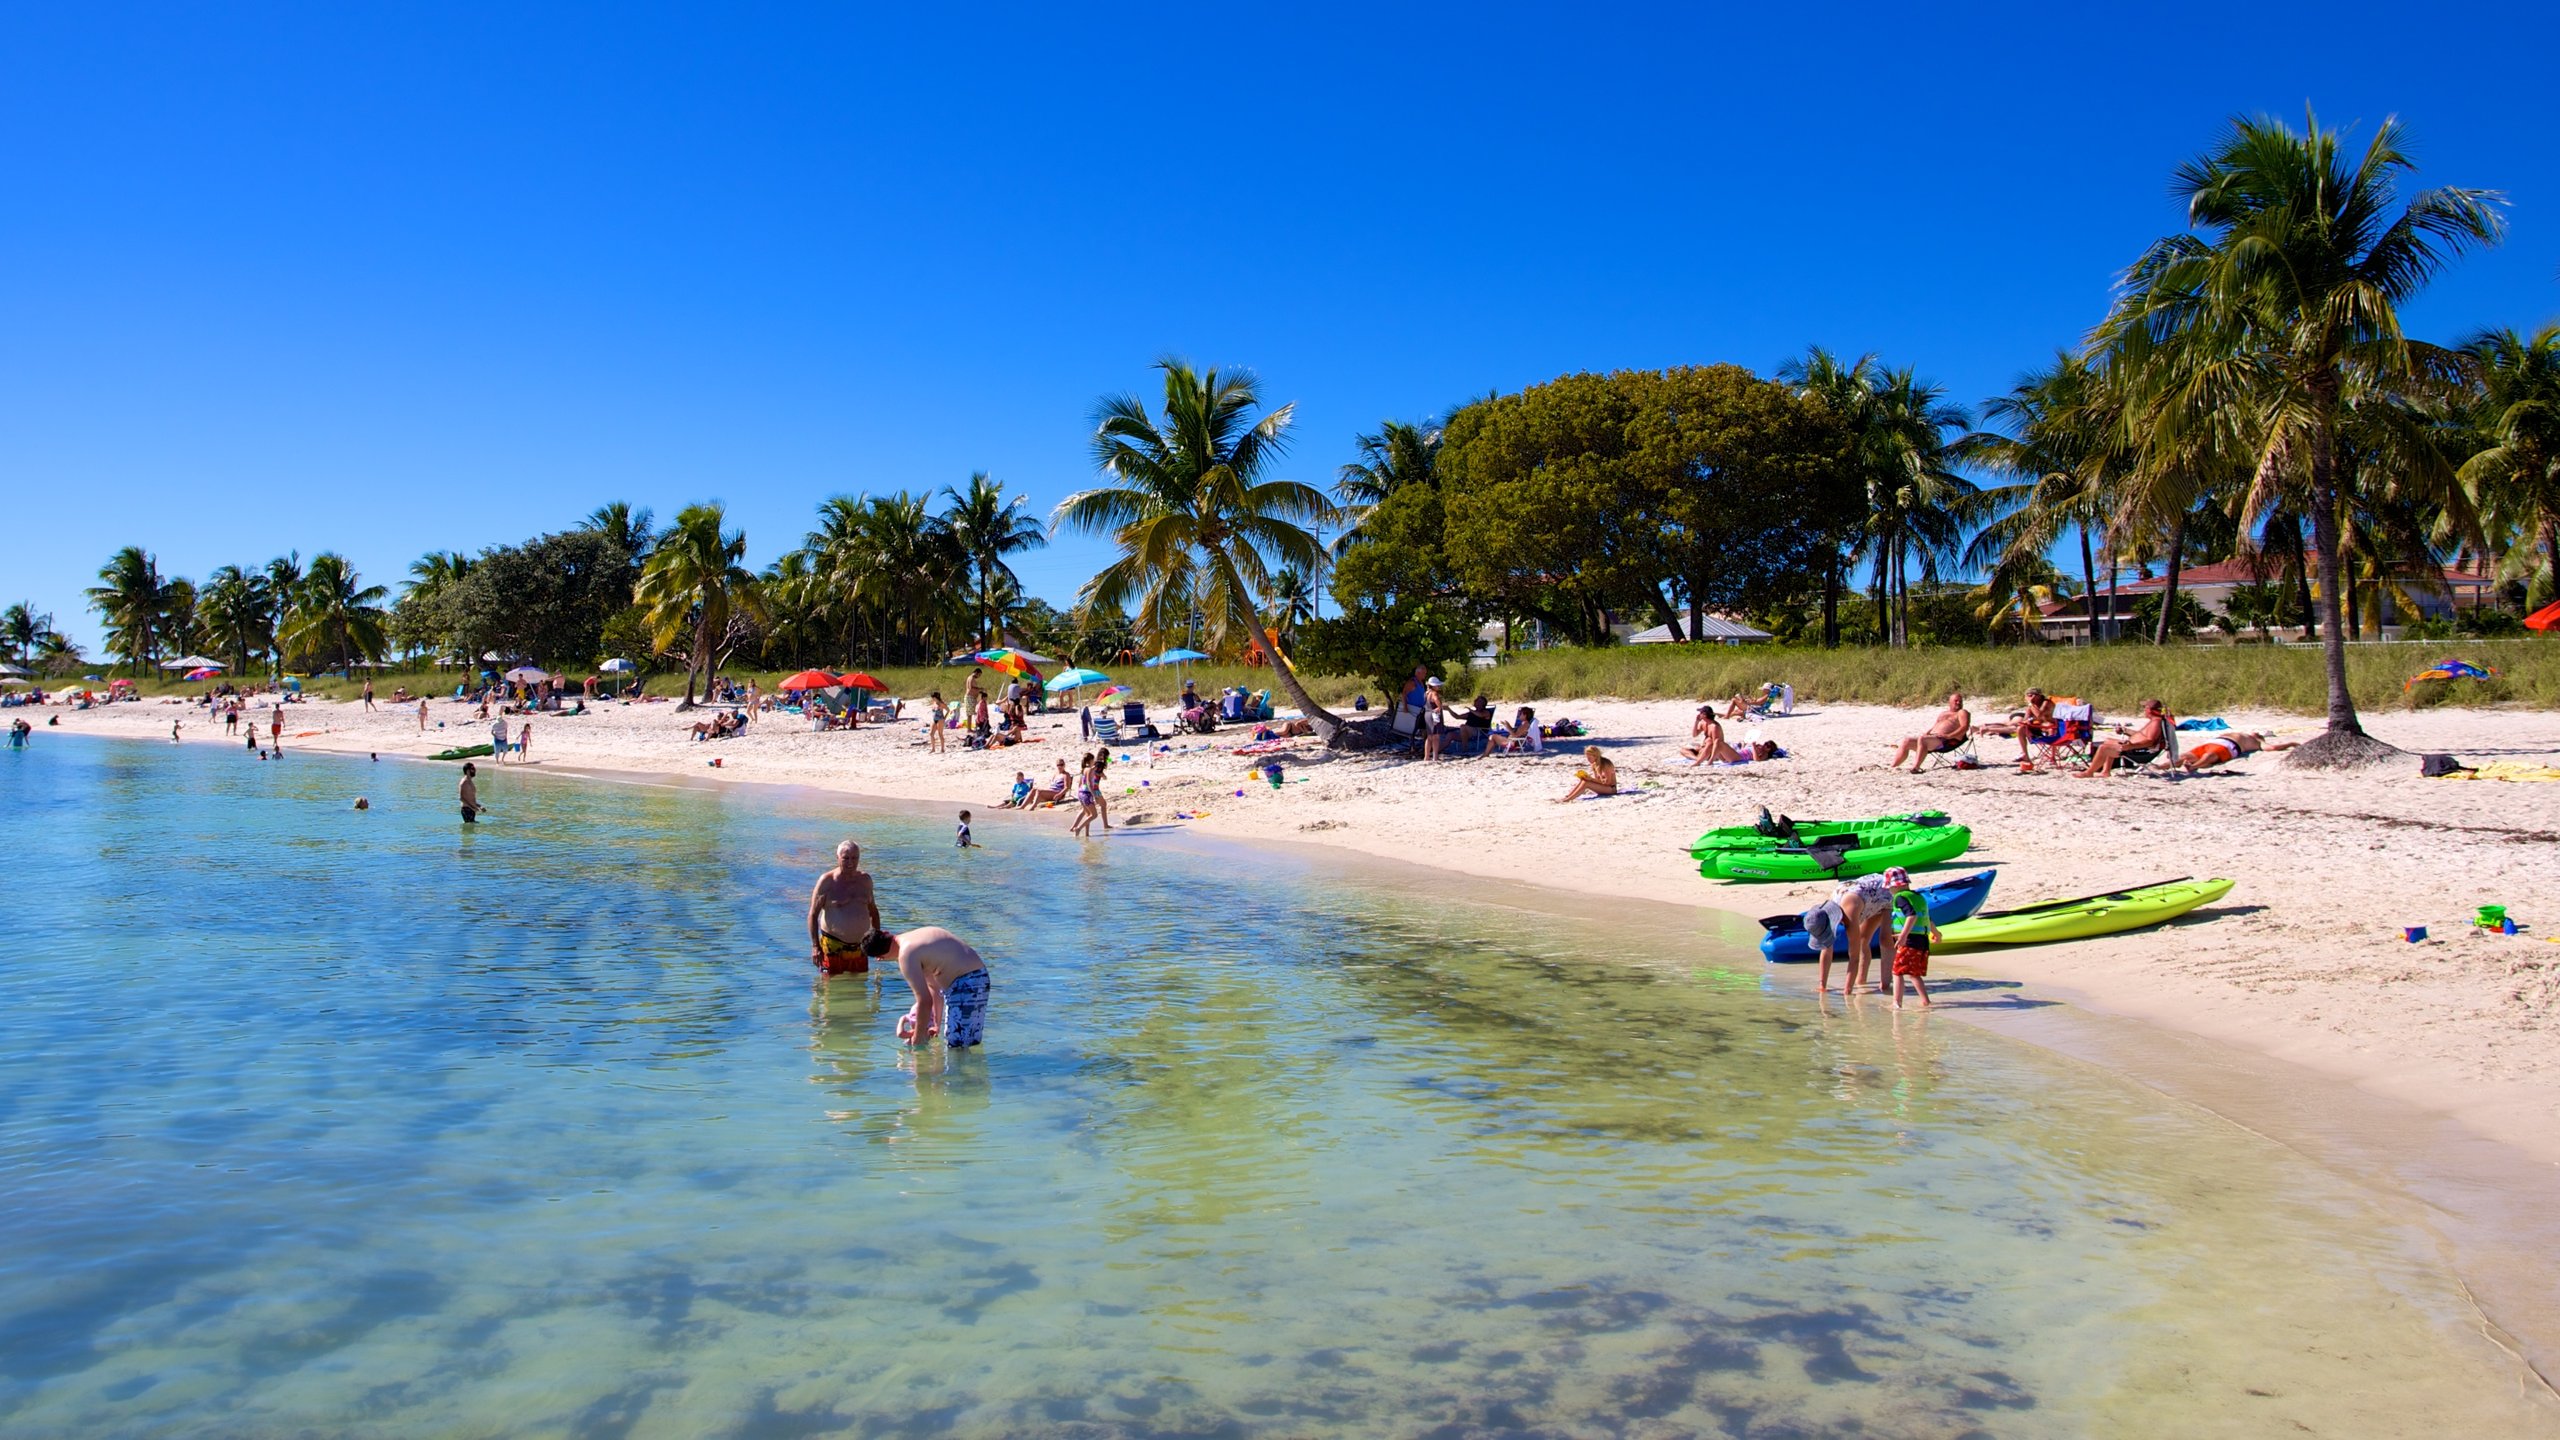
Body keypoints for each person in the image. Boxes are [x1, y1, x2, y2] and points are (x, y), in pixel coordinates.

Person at [870, 926, 990, 1049]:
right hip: (980, 977)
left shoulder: (906, 955)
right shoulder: (915, 936)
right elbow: (934, 987)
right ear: (886, 933)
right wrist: (936, 1025)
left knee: (957, 1049)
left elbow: (924, 1001)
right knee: (969, 1044)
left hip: (963, 986)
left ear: (880, 958)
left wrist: (918, 1039)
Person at [807, 840, 884, 976]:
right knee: (828, 986)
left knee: (860, 986)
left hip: (860, 948)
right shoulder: (827, 882)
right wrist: (815, 947)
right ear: (837, 858)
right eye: (846, 858)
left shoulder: (865, 880)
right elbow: (813, 915)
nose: (850, 863)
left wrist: (876, 942)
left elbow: (874, 912)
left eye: (854, 858)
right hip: (831, 948)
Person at [2076, 698, 2178, 778]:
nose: (2143, 710)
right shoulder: (2155, 721)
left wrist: (2131, 746)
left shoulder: (2156, 723)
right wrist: (2125, 731)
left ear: (2149, 710)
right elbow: (2142, 735)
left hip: (2139, 752)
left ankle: (2089, 772)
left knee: (2104, 747)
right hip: (2135, 748)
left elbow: (2150, 741)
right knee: (2108, 741)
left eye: (2144, 708)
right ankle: (2105, 771)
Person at [1887, 691, 1971, 773]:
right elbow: (1935, 726)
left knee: (1923, 739)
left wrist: (1949, 736)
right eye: (1956, 700)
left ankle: (1916, 767)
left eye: (1960, 701)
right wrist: (1928, 732)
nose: (1958, 702)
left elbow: (1965, 727)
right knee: (1907, 740)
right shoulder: (1943, 713)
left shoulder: (1962, 712)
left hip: (1946, 741)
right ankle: (1893, 766)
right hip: (1932, 739)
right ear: (1949, 702)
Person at [1889, 881, 1941, 1009]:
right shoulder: (1918, 897)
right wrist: (1937, 933)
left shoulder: (1900, 897)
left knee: (1897, 972)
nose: (1888, 890)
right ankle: (1926, 1002)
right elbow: (1927, 918)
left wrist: (1903, 935)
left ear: (1896, 886)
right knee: (1913, 973)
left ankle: (1896, 1003)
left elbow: (1911, 916)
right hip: (1922, 941)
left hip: (1910, 940)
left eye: (1889, 887)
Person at [1975, 688, 2056, 765]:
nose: (2029, 697)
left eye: (2031, 695)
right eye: (2028, 695)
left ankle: (1987, 728)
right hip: (2039, 728)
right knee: (2020, 728)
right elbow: (2025, 719)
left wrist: (2031, 703)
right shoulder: (2031, 706)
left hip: (2051, 728)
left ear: (2038, 695)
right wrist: (2026, 722)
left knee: (2011, 725)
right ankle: (2025, 754)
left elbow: (2039, 715)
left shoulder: (2046, 702)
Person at [2179, 730, 2299, 772]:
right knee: (2185, 755)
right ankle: (2163, 766)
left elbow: (2273, 748)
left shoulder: (2258, 742)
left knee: (2209, 756)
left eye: (2259, 734)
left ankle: (2194, 766)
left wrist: (2291, 743)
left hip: (2229, 746)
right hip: (2214, 742)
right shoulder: (2244, 733)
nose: (2256, 732)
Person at [1554, 746, 1618, 802]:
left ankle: (1569, 799)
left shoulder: (1606, 764)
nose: (1588, 760)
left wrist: (1591, 779)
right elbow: (1597, 780)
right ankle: (1568, 796)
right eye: (1587, 758)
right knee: (1584, 780)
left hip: (1611, 789)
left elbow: (1608, 783)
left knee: (1586, 783)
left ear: (1595, 756)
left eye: (1589, 758)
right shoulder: (1594, 765)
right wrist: (1588, 778)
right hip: (1604, 787)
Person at [1420, 679, 1450, 760]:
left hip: (1427, 714)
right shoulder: (1434, 693)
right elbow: (1437, 701)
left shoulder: (1426, 693)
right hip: (1434, 715)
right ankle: (1435, 756)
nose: (1439, 686)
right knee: (1436, 737)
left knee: (1429, 737)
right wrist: (1440, 707)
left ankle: (1426, 756)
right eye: (1437, 685)